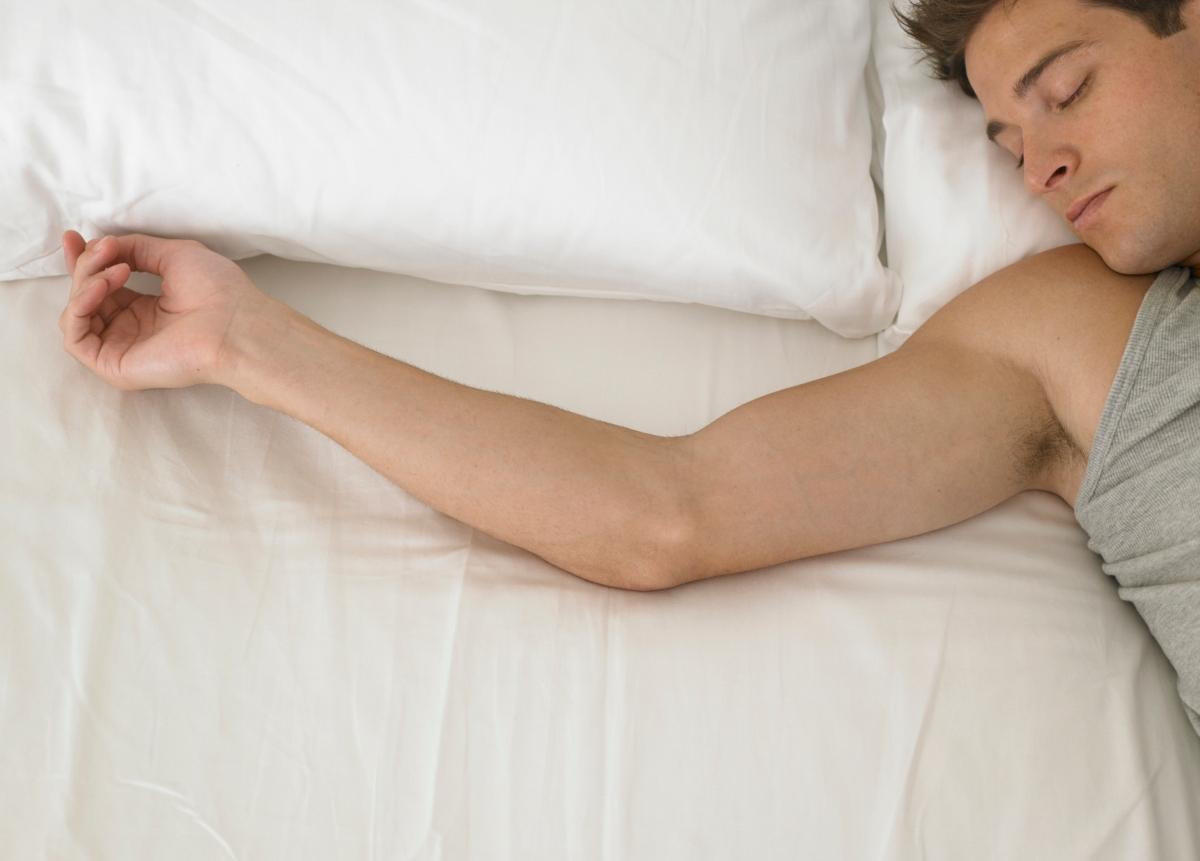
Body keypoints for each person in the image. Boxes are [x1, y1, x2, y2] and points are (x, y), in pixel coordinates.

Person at [55, 0, 1200, 732]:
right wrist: (248, 343)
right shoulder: (1071, 337)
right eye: (1005, 141)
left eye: (1067, 90)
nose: (1040, 164)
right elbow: (666, 509)